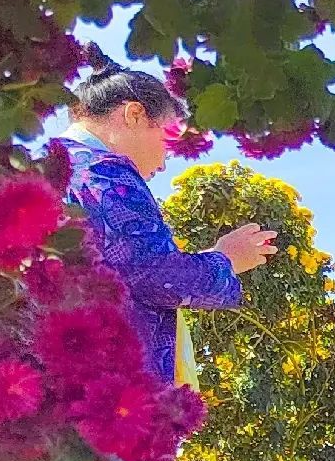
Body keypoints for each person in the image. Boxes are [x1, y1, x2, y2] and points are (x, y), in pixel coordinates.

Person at [62, 65, 275, 382]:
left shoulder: (47, 164)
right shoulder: (102, 171)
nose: (163, 163)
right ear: (134, 114)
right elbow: (156, 276)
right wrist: (226, 259)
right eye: (167, 142)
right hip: (96, 387)